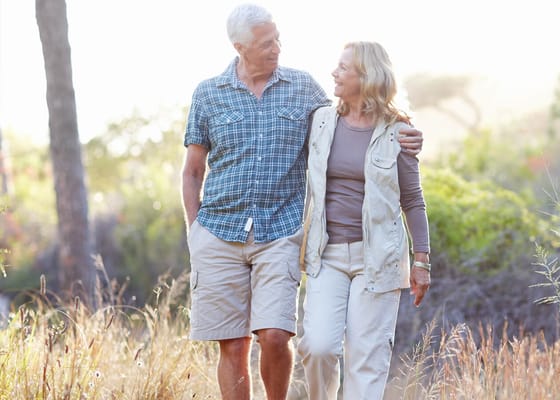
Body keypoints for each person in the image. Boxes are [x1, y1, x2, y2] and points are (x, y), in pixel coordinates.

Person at [181, 5, 424, 400]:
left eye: (277, 38)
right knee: (233, 343)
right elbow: (192, 171)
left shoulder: (303, 87)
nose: (277, 47)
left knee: (276, 336)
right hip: (218, 231)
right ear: (239, 46)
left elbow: (355, 117)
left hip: (279, 232)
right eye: (266, 43)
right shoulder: (208, 94)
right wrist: (195, 232)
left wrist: (406, 132)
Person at [296, 41, 432, 400]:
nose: (334, 73)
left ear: (366, 76)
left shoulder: (398, 130)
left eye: (343, 68)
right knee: (319, 347)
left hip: (379, 259)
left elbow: (413, 201)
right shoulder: (322, 121)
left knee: (366, 361)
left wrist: (422, 261)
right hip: (327, 256)